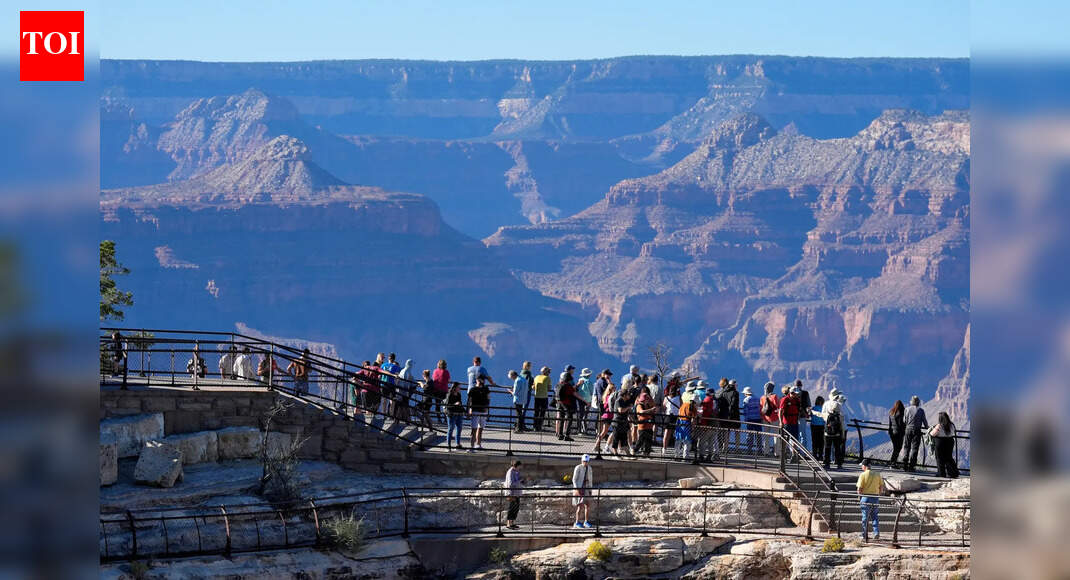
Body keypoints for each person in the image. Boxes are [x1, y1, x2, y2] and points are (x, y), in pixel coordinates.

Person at [856, 458, 886, 541]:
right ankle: (876, 533)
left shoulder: (863, 475)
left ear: (865, 466)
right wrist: (878, 494)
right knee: (875, 516)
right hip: (875, 497)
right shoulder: (877, 474)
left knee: (865, 517)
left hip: (865, 497)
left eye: (862, 465)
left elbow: (859, 489)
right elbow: (881, 486)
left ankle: (864, 534)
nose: (861, 467)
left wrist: (860, 496)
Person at [929, 412, 959, 478]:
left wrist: (933, 428)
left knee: (939, 458)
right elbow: (953, 432)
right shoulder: (952, 425)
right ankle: (953, 473)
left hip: (940, 442)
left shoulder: (939, 425)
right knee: (949, 457)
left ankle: (941, 473)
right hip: (950, 442)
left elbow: (932, 434)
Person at [903, 396, 928, 472]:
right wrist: (928, 428)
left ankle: (905, 464)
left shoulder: (907, 409)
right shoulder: (921, 410)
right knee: (915, 448)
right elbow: (925, 422)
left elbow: (904, 421)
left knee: (907, 447)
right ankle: (912, 466)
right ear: (918, 402)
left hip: (908, 430)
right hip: (917, 431)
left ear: (911, 402)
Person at [593, 373, 616, 454]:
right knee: (605, 432)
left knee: (604, 432)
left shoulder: (605, 396)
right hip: (608, 415)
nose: (615, 390)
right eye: (614, 388)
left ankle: (597, 446)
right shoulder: (610, 397)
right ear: (611, 389)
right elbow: (610, 407)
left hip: (605, 415)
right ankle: (601, 447)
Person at [467, 376, 491, 452]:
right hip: (475, 410)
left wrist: (487, 409)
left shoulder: (486, 389)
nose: (482, 381)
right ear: (477, 380)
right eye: (480, 380)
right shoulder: (473, 389)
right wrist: (470, 409)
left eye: (483, 380)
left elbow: (488, 399)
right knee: (474, 429)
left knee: (480, 429)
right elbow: (469, 400)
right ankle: (472, 446)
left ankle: (478, 444)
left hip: (483, 411)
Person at [695, 381, 717, 461]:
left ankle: (701, 455)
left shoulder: (706, 401)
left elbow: (704, 413)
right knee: (711, 441)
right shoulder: (714, 401)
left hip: (706, 424)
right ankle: (710, 456)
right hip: (714, 423)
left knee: (702, 441)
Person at [675, 383, 697, 460]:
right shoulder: (693, 407)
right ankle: (685, 456)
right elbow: (693, 418)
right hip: (687, 423)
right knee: (687, 441)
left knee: (679, 439)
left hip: (680, 421)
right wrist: (693, 428)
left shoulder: (683, 404)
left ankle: (677, 455)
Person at [821, 397, 846, 469]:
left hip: (827, 433)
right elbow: (842, 425)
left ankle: (827, 463)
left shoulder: (826, 413)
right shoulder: (840, 415)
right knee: (837, 448)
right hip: (837, 434)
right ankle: (839, 464)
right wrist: (842, 434)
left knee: (827, 448)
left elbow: (821, 415)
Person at [571, 454, 595, 529]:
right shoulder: (578, 467)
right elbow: (574, 479)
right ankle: (577, 522)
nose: (585, 463)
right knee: (579, 506)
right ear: (582, 461)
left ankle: (586, 521)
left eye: (586, 461)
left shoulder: (589, 468)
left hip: (586, 488)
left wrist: (590, 489)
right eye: (584, 461)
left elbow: (590, 479)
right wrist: (576, 489)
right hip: (580, 488)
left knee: (587, 505)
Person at [779, 385, 802, 456]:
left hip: (794, 422)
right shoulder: (785, 399)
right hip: (787, 422)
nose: (796, 395)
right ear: (791, 393)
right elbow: (780, 411)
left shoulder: (797, 400)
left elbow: (798, 410)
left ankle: (793, 455)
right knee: (785, 439)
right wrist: (781, 422)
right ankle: (784, 454)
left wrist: (798, 418)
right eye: (795, 393)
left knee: (794, 439)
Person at [740, 386, 764, 455]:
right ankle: (759, 450)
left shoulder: (746, 400)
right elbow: (760, 408)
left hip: (750, 419)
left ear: (746, 393)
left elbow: (746, 411)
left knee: (750, 435)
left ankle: (749, 450)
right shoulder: (757, 398)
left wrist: (745, 419)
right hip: (758, 419)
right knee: (758, 435)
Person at [555, 370, 577, 441]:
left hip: (559, 403)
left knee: (561, 418)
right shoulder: (568, 386)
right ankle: (567, 435)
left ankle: (560, 434)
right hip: (566, 404)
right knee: (569, 418)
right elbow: (573, 393)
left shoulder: (558, 384)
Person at [633, 391, 657, 456]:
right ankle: (634, 451)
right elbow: (641, 412)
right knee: (640, 440)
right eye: (647, 399)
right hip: (642, 426)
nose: (648, 400)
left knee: (649, 441)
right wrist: (651, 410)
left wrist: (653, 410)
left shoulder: (648, 405)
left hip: (649, 426)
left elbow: (653, 410)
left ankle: (646, 453)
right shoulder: (639, 405)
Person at [759, 382, 780, 456]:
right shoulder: (774, 396)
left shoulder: (762, 397)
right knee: (776, 436)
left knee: (766, 436)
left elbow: (761, 409)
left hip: (765, 419)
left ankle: (766, 452)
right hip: (774, 419)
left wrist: (762, 418)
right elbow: (777, 407)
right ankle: (777, 453)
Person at [610, 390, 632, 458]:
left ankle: (628, 454)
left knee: (624, 438)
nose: (629, 396)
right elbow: (620, 410)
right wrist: (628, 407)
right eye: (628, 394)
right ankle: (615, 454)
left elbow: (626, 412)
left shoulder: (626, 401)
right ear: (624, 395)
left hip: (623, 422)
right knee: (616, 438)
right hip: (617, 422)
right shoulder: (618, 401)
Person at [662, 381, 682, 455]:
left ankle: (664, 448)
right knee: (677, 433)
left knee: (666, 433)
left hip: (668, 416)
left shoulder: (666, 398)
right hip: (676, 417)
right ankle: (676, 450)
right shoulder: (679, 398)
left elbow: (663, 407)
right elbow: (681, 406)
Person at [444, 382, 464, 452]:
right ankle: (448, 446)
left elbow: (460, 403)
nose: (460, 388)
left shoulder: (458, 394)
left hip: (458, 413)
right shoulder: (449, 395)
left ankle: (458, 444)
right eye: (459, 387)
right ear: (455, 388)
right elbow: (447, 406)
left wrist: (463, 411)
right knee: (450, 429)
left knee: (459, 428)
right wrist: (455, 404)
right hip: (451, 414)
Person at [505, 460, 524, 529]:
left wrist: (521, 481)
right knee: (512, 508)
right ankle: (508, 524)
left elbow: (518, 480)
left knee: (516, 508)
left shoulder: (517, 471)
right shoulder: (510, 472)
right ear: (516, 465)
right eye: (520, 466)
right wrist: (519, 481)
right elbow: (511, 484)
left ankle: (512, 523)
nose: (521, 467)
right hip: (512, 493)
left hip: (517, 493)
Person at [888, 400, 906, 470]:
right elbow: (900, 424)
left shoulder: (891, 412)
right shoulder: (901, 413)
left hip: (892, 433)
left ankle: (892, 462)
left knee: (895, 448)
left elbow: (890, 424)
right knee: (898, 448)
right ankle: (892, 463)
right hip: (899, 433)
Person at [532, 366, 552, 431]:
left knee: (536, 412)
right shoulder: (547, 378)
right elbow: (549, 389)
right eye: (549, 371)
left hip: (536, 397)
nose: (549, 372)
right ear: (547, 372)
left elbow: (533, 387)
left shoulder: (536, 377)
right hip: (544, 397)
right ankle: (539, 426)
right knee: (542, 412)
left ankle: (534, 426)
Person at [795, 379, 812, 452]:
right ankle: (802, 452)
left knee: (795, 434)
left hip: (793, 416)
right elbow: (809, 405)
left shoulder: (792, 394)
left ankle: (795, 451)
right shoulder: (805, 393)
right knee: (803, 434)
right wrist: (808, 414)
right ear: (801, 385)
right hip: (802, 416)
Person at [575, 368, 594, 434]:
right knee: (585, 416)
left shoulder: (579, 381)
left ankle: (579, 429)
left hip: (580, 399)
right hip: (588, 400)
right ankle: (585, 429)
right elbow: (592, 392)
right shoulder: (589, 382)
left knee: (580, 414)